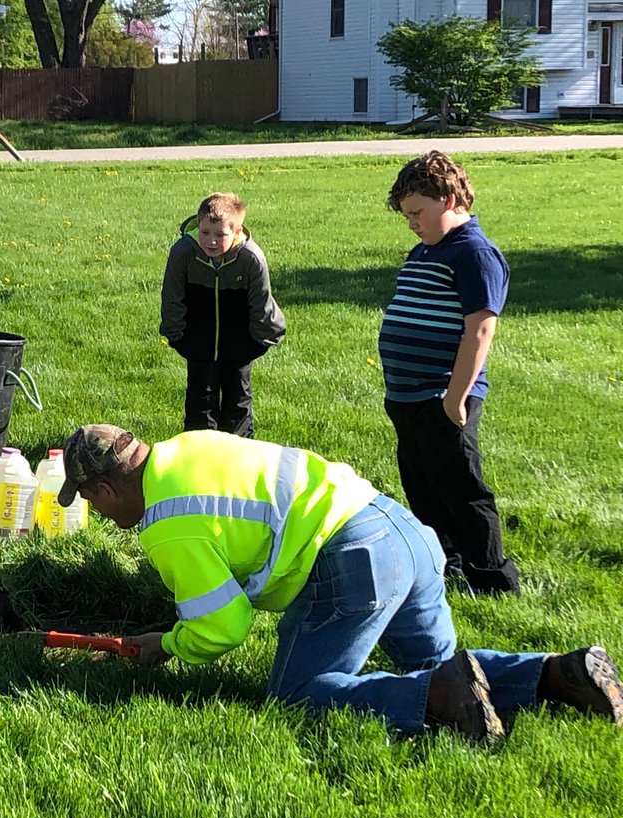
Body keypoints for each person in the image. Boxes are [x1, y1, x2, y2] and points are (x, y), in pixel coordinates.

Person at [55, 424, 623, 741]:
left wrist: (168, 644)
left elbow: (224, 628)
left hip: (351, 560)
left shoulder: (168, 526)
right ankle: (558, 673)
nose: (100, 517)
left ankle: (436, 700)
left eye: (90, 504)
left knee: (298, 697)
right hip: (402, 530)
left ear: (103, 492)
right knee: (448, 664)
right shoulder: (189, 446)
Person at [380, 151, 520, 595]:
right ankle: (446, 564)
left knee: (459, 485)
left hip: (443, 394)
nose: (413, 223)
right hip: (407, 396)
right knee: (421, 484)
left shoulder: (475, 253)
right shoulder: (426, 250)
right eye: (406, 216)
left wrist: (456, 395)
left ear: (448, 198)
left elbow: (480, 330)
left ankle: (491, 577)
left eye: (418, 212)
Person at [159, 191, 285, 437]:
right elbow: (172, 299)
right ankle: (197, 461)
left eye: (220, 235)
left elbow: (262, 304)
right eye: (205, 232)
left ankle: (239, 462)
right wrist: (178, 337)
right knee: (199, 405)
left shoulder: (251, 258)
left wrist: (258, 342)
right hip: (198, 344)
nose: (211, 241)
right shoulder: (183, 253)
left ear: (237, 232)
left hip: (240, 347)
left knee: (238, 404)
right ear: (198, 224)